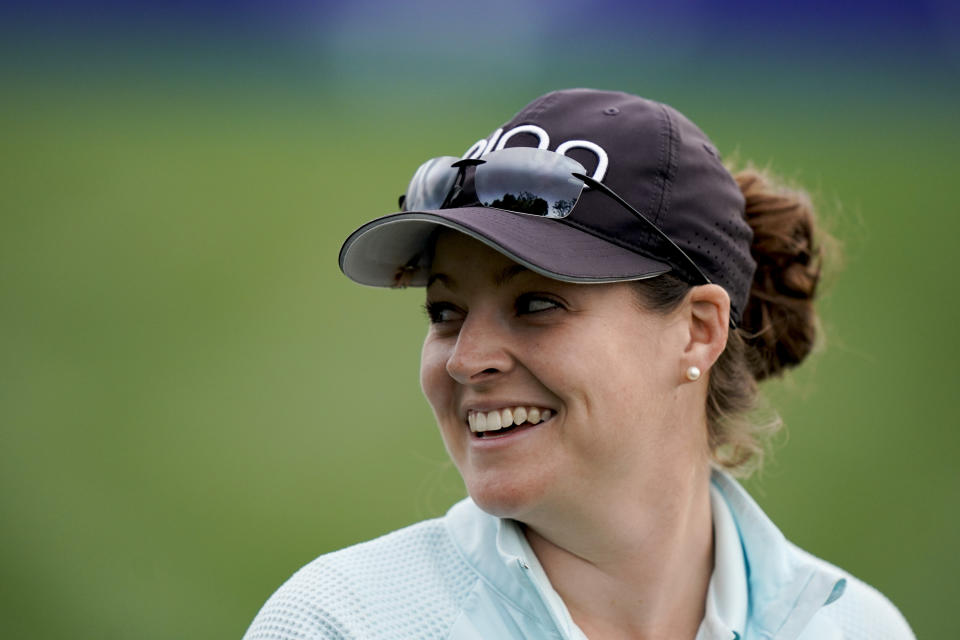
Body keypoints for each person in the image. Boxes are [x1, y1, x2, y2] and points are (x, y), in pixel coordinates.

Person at [243, 89, 914, 639]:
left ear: (697, 331)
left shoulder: (857, 627)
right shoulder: (342, 624)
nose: (467, 360)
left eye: (535, 302)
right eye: (445, 312)